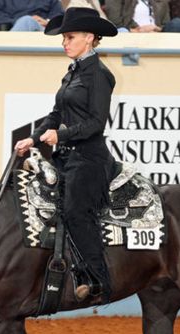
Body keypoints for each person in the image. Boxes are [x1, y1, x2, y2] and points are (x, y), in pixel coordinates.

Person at [14, 7, 118, 303]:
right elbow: (56, 113)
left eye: (70, 37)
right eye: (63, 38)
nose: (65, 43)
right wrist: (33, 138)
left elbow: (96, 124)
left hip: (89, 158)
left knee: (75, 211)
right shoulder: (73, 72)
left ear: (89, 38)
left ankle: (98, 281)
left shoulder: (99, 74)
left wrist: (61, 135)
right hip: (68, 156)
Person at [0, 0, 64, 31]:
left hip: (43, 31)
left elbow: (59, 15)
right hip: (12, 28)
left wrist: (47, 22)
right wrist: (16, 21)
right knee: (27, 21)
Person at [105, 0, 170, 32]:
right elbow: (115, 21)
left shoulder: (162, 2)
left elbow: (166, 25)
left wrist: (155, 28)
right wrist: (139, 30)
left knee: (177, 24)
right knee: (122, 30)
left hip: (158, 35)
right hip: (131, 34)